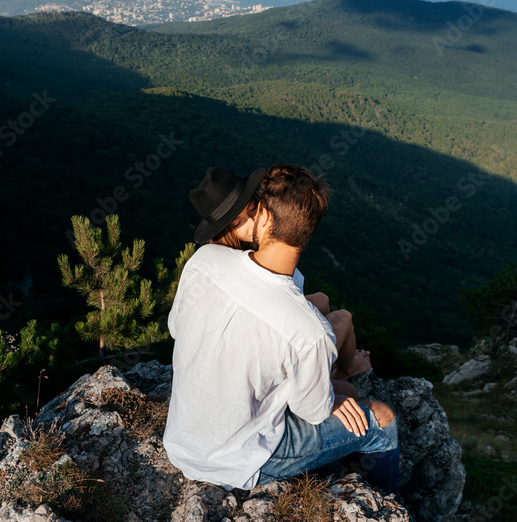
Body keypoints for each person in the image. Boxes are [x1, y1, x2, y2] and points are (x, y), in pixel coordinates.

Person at [164, 164, 399, 493]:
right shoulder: (310, 332)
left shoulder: (203, 260)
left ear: (263, 219)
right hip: (239, 460)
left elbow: (177, 327)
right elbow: (311, 411)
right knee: (382, 419)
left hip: (181, 439)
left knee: (345, 389)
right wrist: (330, 397)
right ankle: (390, 506)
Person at [192, 167, 371, 393]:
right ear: (225, 231)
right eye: (238, 223)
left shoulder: (218, 259)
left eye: (253, 209)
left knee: (323, 300)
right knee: (344, 319)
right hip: (263, 360)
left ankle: (332, 358)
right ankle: (343, 368)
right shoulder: (249, 262)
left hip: (259, 334)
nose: (252, 221)